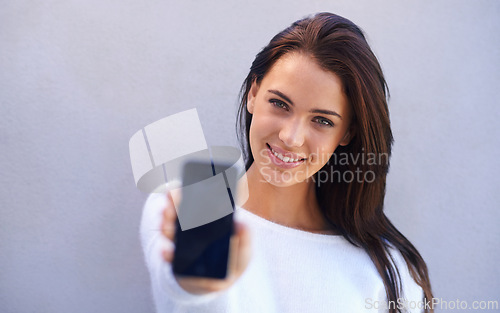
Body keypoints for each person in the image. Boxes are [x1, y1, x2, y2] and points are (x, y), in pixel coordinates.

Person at [140, 12, 433, 313]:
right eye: (280, 103)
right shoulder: (187, 204)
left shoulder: (388, 268)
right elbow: (180, 292)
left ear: (347, 133)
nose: (291, 137)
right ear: (253, 94)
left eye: (321, 120)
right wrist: (199, 283)